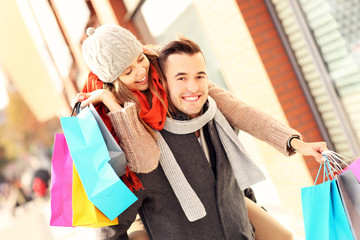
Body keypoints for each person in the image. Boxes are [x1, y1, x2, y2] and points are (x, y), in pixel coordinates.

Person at [74, 25, 328, 239]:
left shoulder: (206, 108)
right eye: (127, 71)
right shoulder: (126, 134)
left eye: (140, 59)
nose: (141, 72)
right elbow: (139, 173)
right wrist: (112, 104)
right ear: (113, 81)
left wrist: (295, 142)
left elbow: (241, 115)